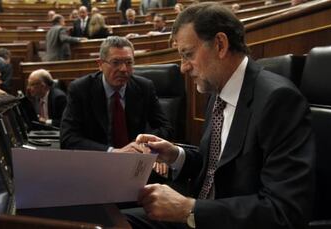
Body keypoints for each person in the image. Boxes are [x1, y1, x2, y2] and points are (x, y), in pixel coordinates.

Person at [127, 2, 315, 229]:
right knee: (111, 220)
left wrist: (189, 209)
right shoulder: (218, 90)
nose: (183, 67)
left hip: (226, 221)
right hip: (201, 216)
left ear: (220, 45)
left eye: (188, 54)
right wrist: (176, 154)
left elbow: (285, 211)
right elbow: (218, 165)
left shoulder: (279, 100)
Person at [60, 36, 173, 152]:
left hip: (135, 158)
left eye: (129, 62)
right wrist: (113, 152)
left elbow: (165, 128)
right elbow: (68, 138)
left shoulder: (144, 87)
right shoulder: (80, 89)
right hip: (98, 161)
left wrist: (144, 143)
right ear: (100, 64)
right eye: (116, 63)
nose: (124, 69)